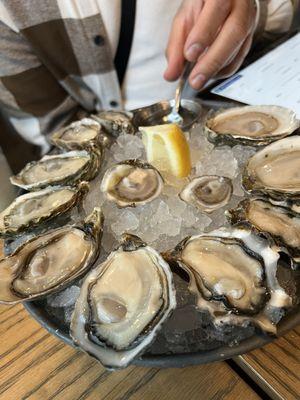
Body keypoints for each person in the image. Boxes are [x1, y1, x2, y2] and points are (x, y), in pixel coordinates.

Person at [0, 0, 298, 153]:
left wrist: (252, 9)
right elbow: (55, 141)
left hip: (236, 110)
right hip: (109, 146)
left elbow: (286, 10)